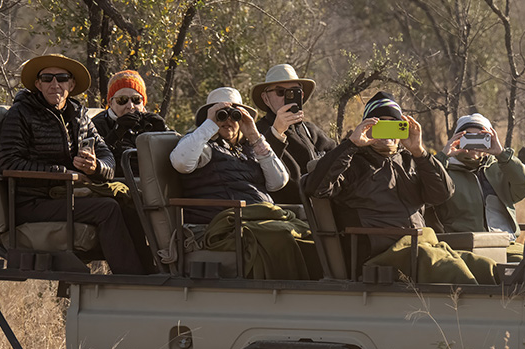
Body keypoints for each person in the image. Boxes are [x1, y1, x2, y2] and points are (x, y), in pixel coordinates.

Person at [305, 92, 494, 284]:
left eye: (394, 126)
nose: (388, 133)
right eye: (380, 126)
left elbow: (443, 193)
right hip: (382, 255)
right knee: (451, 270)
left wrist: (420, 152)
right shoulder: (352, 164)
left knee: (484, 266)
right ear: (367, 129)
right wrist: (351, 144)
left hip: (422, 245)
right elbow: (317, 187)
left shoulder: (410, 161)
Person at [0, 53, 153, 275]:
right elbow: (9, 163)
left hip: (66, 195)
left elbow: (107, 157)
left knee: (129, 199)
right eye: (47, 78)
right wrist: (64, 173)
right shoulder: (21, 114)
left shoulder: (78, 114)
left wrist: (95, 167)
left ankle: (151, 272)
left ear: (71, 84)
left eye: (61, 78)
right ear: (38, 84)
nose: (55, 84)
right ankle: (130, 279)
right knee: (107, 209)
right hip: (33, 201)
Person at [169, 87, 289, 224]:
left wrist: (254, 137)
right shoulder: (202, 146)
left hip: (259, 219)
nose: (228, 121)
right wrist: (209, 125)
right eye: (221, 115)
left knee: (302, 232)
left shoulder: (250, 148)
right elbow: (181, 163)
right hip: (228, 223)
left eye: (235, 115)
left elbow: (278, 182)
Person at [432, 112, 525, 237]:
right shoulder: (445, 171)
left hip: (505, 240)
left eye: (480, 137)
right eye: (468, 137)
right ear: (457, 140)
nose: (474, 143)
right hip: (462, 242)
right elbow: (424, 190)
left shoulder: (500, 169)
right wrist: (442, 157)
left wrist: (502, 154)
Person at [251, 64, 336, 205]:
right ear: (266, 99)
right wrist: (276, 132)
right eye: (280, 92)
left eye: (294, 92)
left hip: (322, 207)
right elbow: (256, 170)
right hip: (287, 210)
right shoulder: (257, 132)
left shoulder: (310, 130)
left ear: (301, 96)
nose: (287, 97)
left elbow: (336, 157)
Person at [90, 69, 169, 176]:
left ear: (143, 102)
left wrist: (165, 133)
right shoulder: (97, 124)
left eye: (136, 99)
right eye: (122, 100)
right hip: (119, 180)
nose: (130, 106)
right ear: (111, 103)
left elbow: (176, 157)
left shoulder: (150, 122)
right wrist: (115, 134)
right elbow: (95, 163)